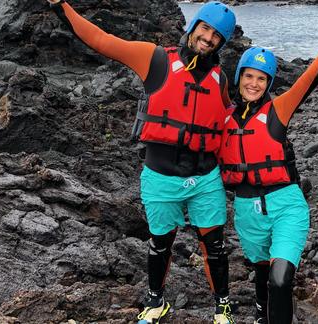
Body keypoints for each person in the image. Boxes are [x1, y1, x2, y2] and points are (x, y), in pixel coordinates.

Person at [45, 1, 237, 323]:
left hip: (205, 177)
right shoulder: (156, 59)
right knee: (160, 243)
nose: (208, 38)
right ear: (193, 27)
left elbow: (230, 120)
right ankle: (155, 302)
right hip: (161, 173)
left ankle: (223, 308)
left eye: (217, 35)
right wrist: (61, 7)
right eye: (204, 28)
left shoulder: (221, 80)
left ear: (222, 42)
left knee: (214, 245)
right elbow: (103, 40)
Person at [217, 1, 318, 323]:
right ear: (239, 76)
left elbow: (312, 76)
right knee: (261, 274)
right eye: (249, 76)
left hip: (285, 205)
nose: (254, 84)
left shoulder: (278, 111)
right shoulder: (223, 118)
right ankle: (262, 315)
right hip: (246, 212)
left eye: (262, 78)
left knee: (280, 279)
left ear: (269, 83)